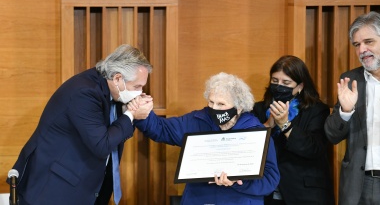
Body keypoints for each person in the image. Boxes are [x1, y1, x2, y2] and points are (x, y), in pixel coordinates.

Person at [7, 44, 153, 205]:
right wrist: (131, 115)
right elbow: (102, 144)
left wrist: (128, 112)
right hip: (54, 189)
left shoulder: (112, 91)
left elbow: (115, 135)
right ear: (118, 78)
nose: (139, 92)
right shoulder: (84, 93)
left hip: (85, 188)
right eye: (137, 86)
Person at [130, 72, 280, 205]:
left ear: (239, 107)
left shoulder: (256, 133)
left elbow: (270, 180)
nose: (214, 108)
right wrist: (142, 113)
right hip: (198, 199)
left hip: (239, 200)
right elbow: (162, 129)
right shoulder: (198, 120)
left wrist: (238, 182)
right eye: (211, 102)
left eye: (221, 104)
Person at [252, 55, 335, 205]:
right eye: (275, 81)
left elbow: (314, 148)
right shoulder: (259, 109)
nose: (279, 86)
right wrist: (268, 124)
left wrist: (285, 125)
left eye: (286, 82)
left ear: (300, 86)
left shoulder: (316, 110)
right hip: (268, 193)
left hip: (305, 193)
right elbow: (250, 148)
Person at [324, 11, 380, 205]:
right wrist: (345, 112)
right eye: (357, 45)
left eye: (369, 42)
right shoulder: (351, 80)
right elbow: (332, 135)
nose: (362, 50)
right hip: (360, 184)